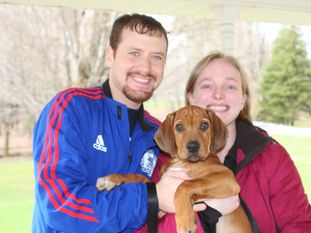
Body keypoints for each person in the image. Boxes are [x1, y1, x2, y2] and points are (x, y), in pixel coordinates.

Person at [32, 14, 237, 233]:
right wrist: (152, 198)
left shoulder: (159, 133)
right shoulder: (71, 108)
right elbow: (61, 208)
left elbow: (172, 194)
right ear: (110, 55)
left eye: (156, 57)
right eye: (135, 53)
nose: (145, 67)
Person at [157, 51, 311, 232]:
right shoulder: (164, 158)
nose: (218, 95)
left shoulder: (272, 157)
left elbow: (301, 225)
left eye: (230, 87)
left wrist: (190, 191)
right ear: (191, 97)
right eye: (207, 86)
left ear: (244, 99)